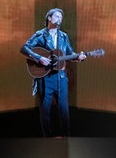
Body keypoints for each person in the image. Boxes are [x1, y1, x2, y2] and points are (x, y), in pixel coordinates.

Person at [20, 8, 87, 137]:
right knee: (45, 109)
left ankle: (66, 137)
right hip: (45, 78)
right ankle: (48, 138)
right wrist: (39, 58)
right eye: (56, 16)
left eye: (61, 17)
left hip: (61, 77)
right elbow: (24, 48)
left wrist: (78, 56)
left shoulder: (63, 36)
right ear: (49, 18)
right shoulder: (40, 35)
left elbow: (69, 53)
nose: (59, 19)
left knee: (64, 108)